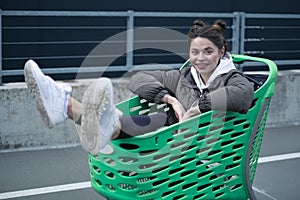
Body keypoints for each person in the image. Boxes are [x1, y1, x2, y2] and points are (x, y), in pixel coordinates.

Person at [24, 19, 254, 156]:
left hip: (203, 148)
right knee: (120, 126)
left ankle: (66, 104)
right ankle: (64, 104)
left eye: (208, 52)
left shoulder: (232, 78)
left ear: (221, 53)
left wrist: (196, 108)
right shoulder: (181, 77)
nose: (200, 58)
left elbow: (242, 96)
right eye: (195, 52)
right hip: (170, 133)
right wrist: (170, 100)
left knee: (117, 128)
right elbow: (138, 79)